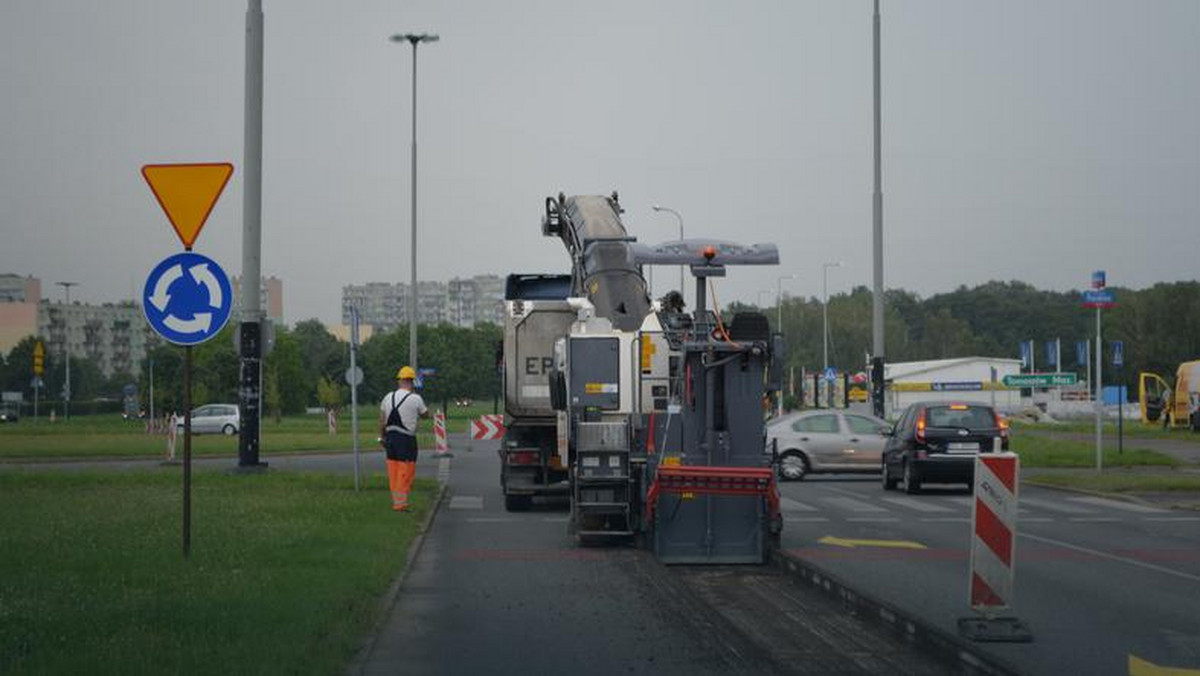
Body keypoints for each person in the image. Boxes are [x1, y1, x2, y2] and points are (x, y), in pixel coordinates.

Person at [379, 366, 429, 511]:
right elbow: (425, 414)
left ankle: (396, 501)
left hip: (390, 438)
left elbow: (382, 420)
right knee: (406, 470)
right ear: (412, 381)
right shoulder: (415, 398)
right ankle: (401, 504)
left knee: (393, 470)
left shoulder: (388, 397)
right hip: (406, 440)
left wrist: (381, 437)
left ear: (400, 380)